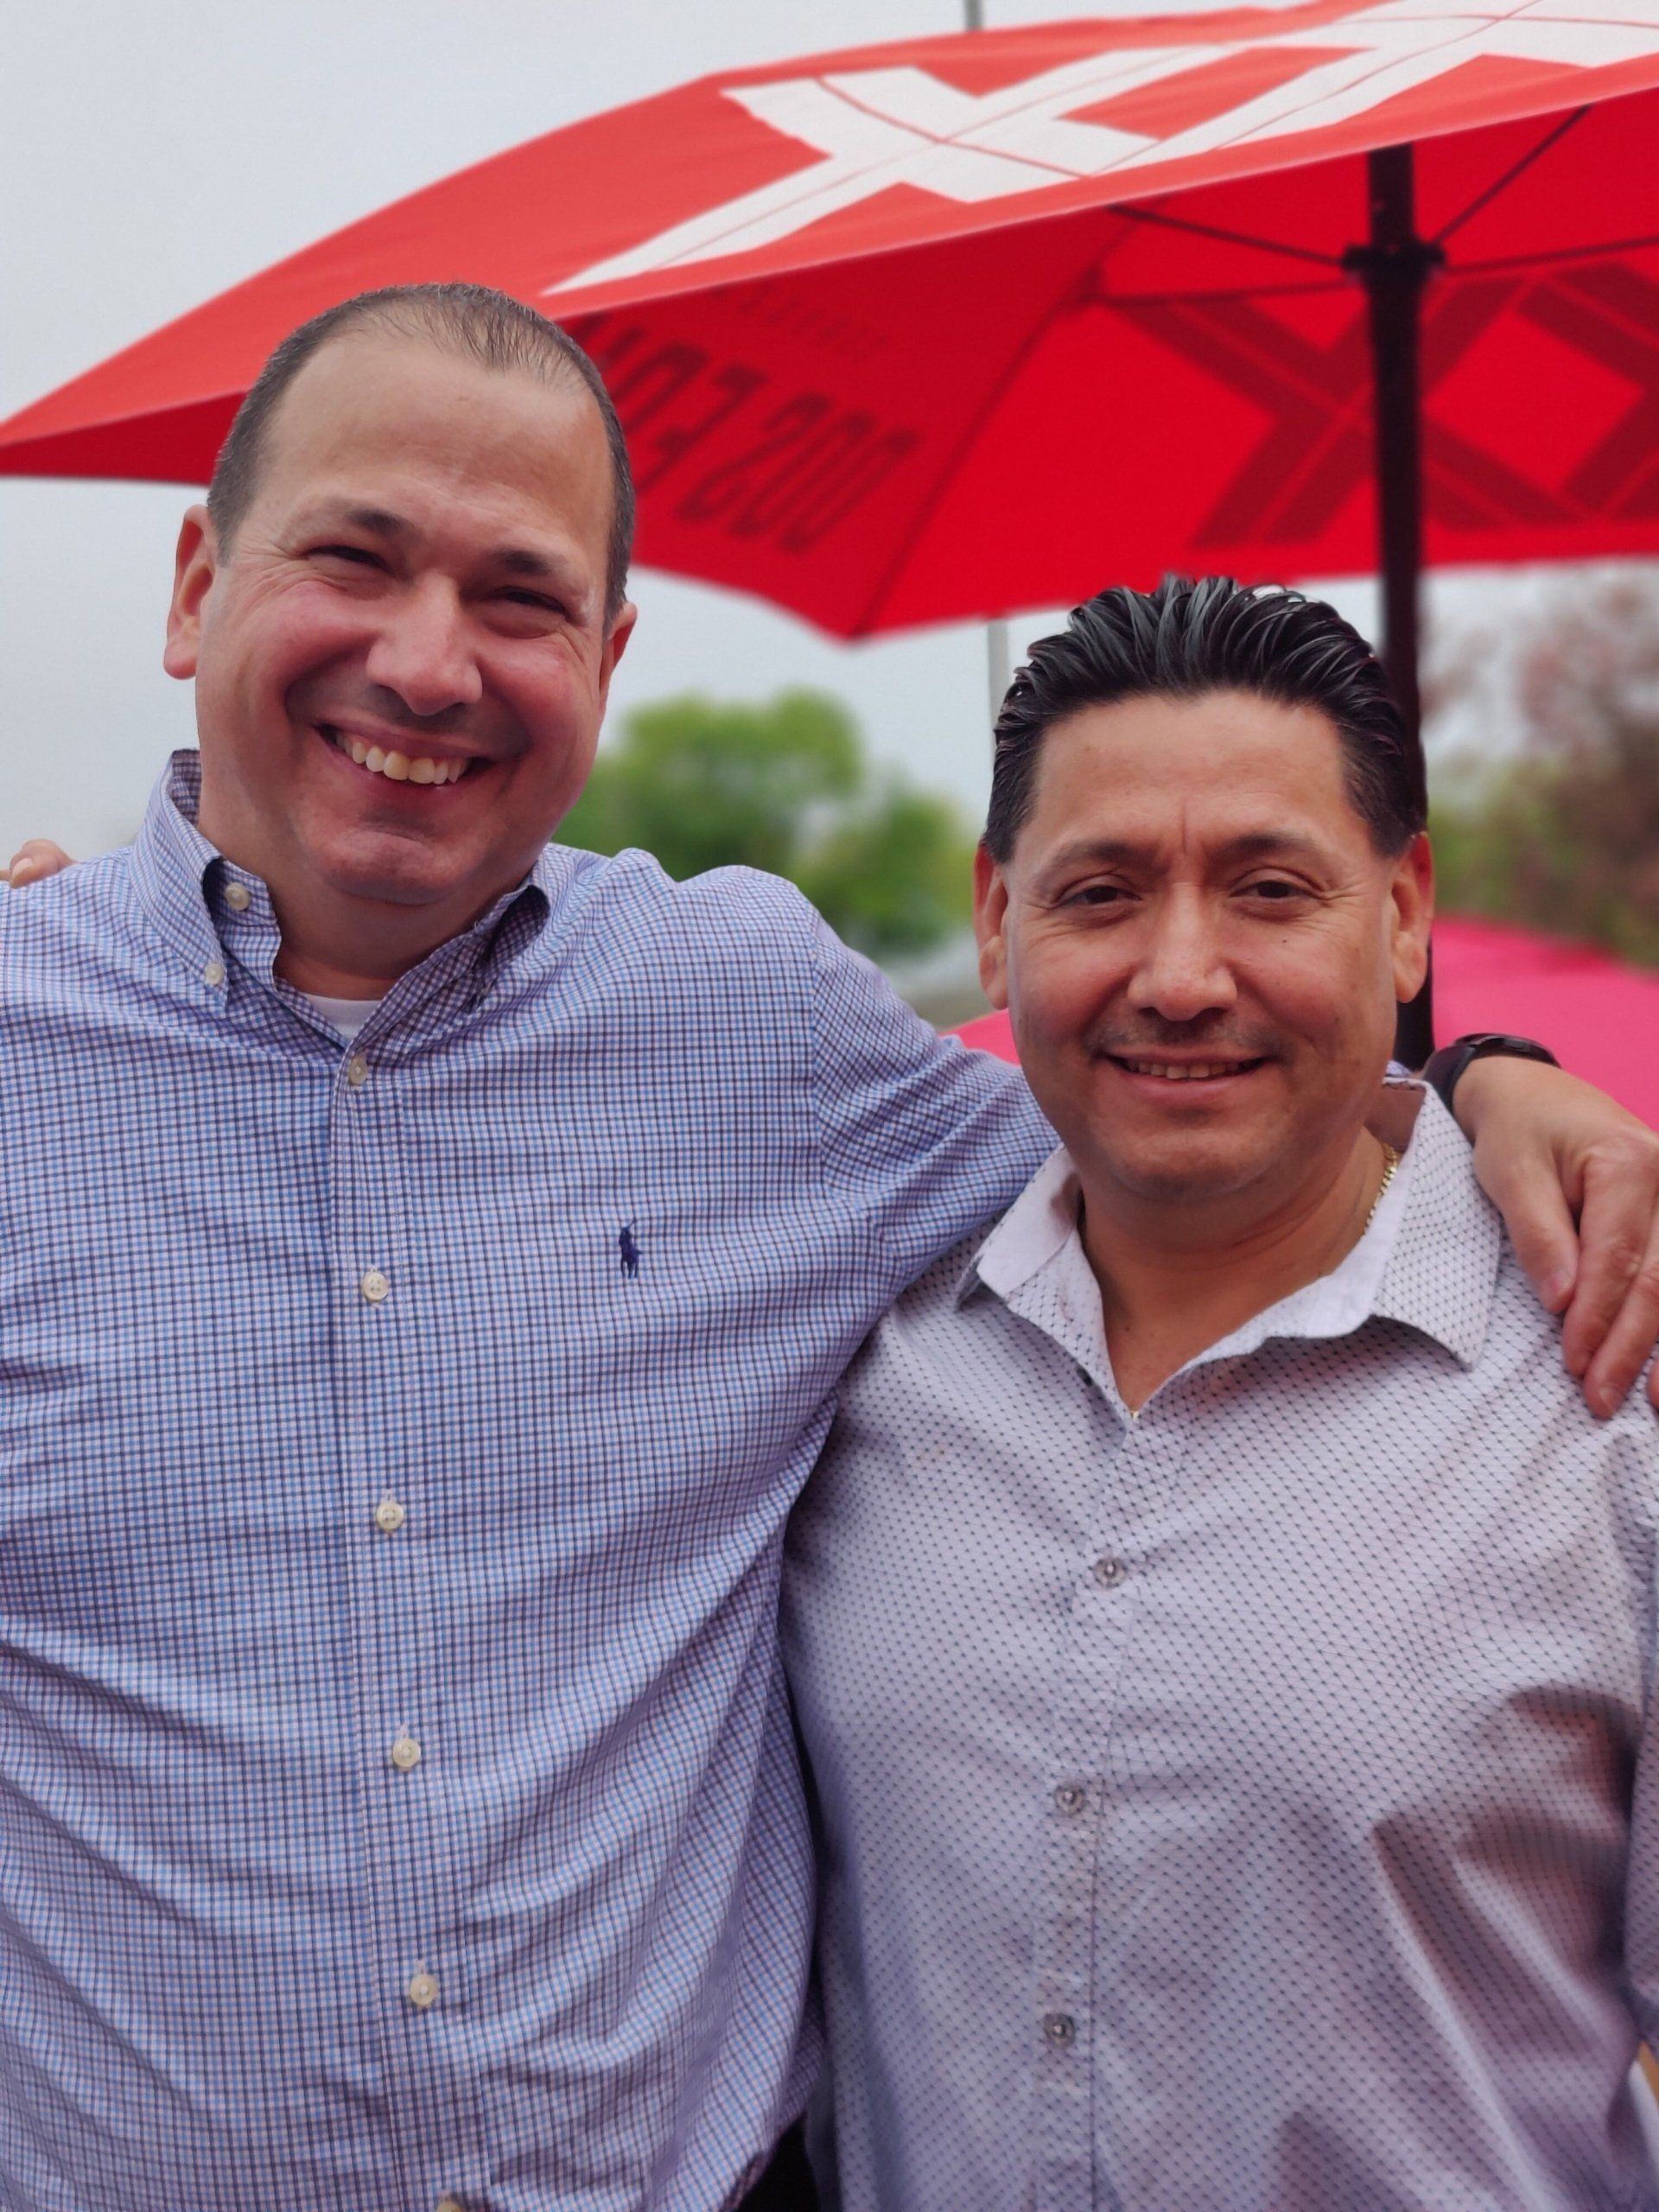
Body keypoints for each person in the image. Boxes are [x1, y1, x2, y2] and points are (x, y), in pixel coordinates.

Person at [1, 289, 1656, 2210]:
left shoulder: (756, 1024)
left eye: (521, 597)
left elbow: (1173, 1099)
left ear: (605, 658)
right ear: (200, 582)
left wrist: (1489, 1078)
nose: (431, 661)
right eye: (356, 558)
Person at [783, 576, 1659, 2212]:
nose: (1180, 978)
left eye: (1270, 889)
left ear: (1404, 914)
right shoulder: (848, 1366)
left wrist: (1493, 1075)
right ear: (993, 915)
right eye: (1101, 892)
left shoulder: (1609, 1395)